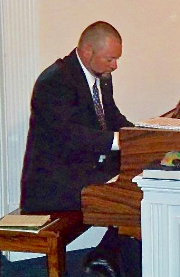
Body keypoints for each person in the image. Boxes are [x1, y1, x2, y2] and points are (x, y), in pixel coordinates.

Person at [20, 21, 140, 277]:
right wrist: (120, 142)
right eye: (110, 58)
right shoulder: (55, 82)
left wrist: (140, 137)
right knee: (132, 198)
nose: (115, 65)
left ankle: (106, 256)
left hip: (85, 170)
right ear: (87, 52)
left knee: (143, 185)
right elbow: (69, 136)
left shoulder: (101, 77)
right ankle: (111, 259)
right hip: (54, 183)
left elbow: (112, 116)